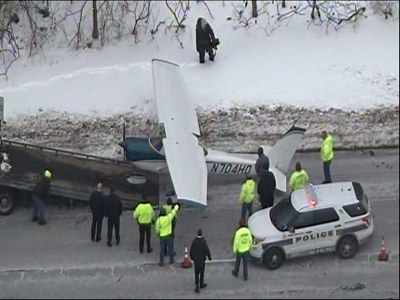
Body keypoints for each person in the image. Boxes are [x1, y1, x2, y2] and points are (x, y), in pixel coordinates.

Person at [190, 229, 212, 293]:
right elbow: (206, 250)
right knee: (202, 273)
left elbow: (191, 250)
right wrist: (209, 257)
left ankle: (197, 285)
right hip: (202, 260)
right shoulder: (203, 242)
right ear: (202, 234)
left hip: (196, 260)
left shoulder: (194, 241)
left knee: (196, 273)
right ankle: (201, 284)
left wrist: (192, 257)